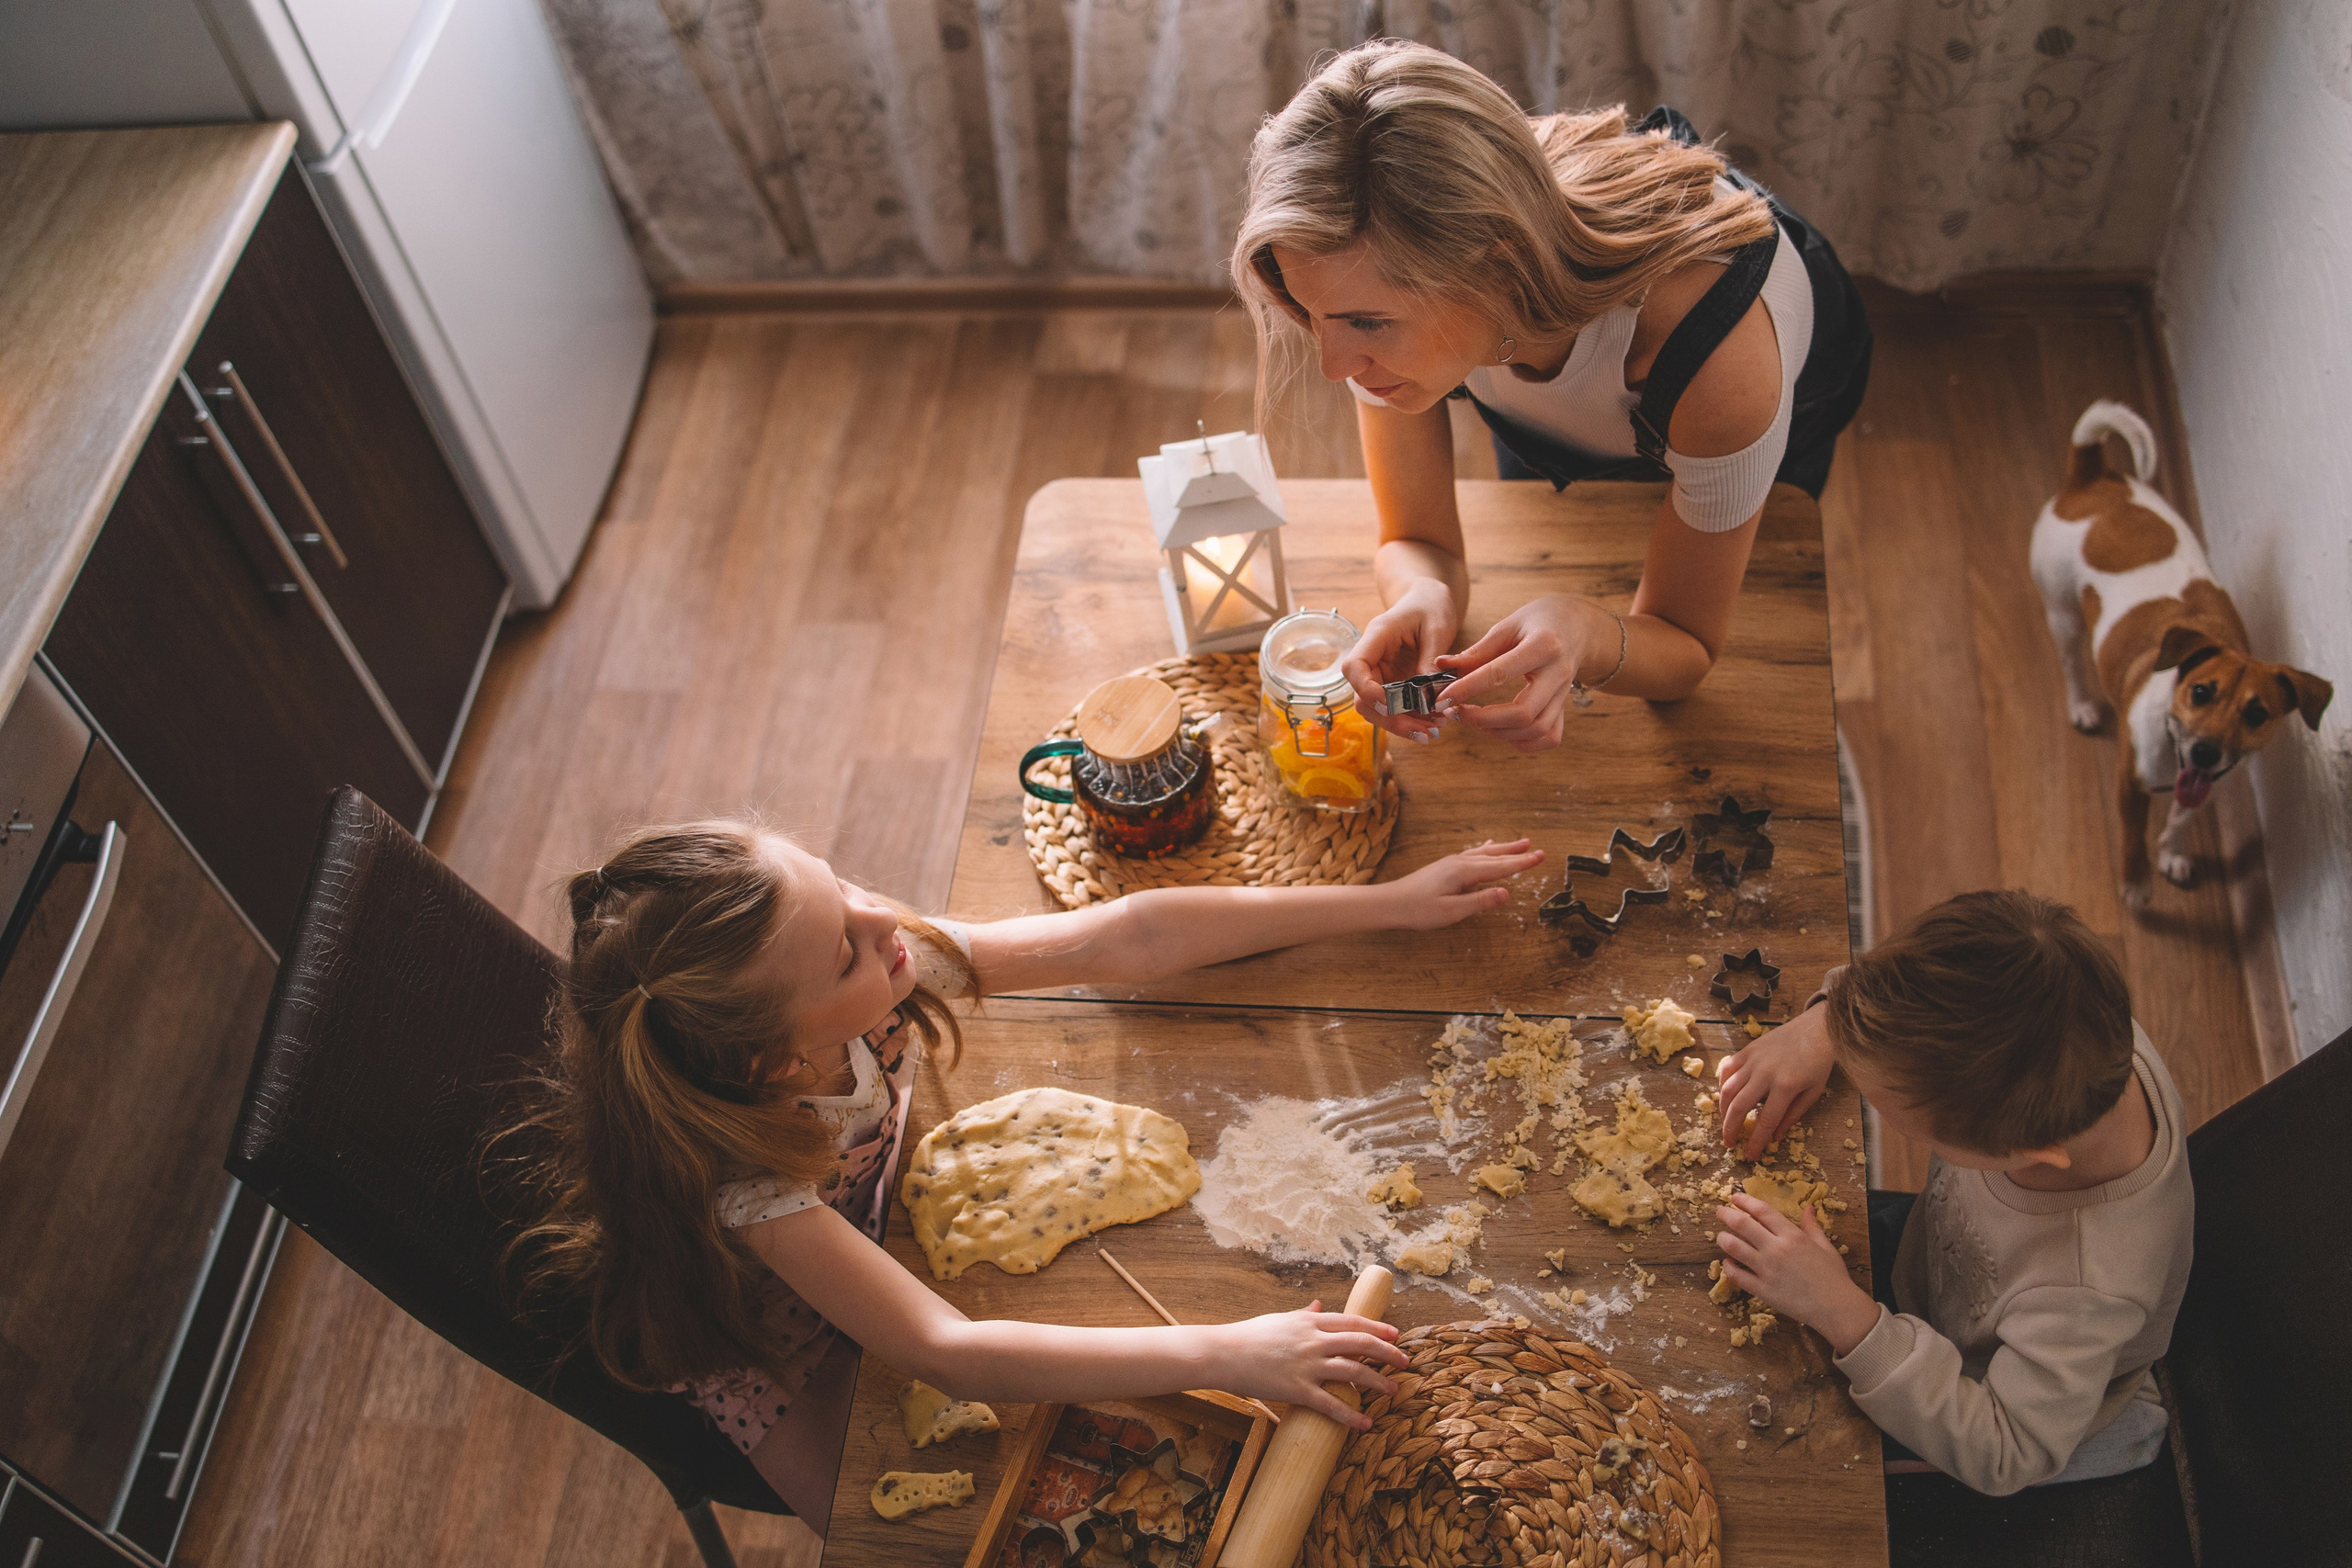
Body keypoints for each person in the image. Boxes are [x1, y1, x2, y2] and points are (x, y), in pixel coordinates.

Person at [504, 818, 1544, 1515]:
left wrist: (1386, 901)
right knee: (914, 1517)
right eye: (844, 952)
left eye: (845, 888)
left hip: (883, 1213)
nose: (886, 920)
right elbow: (949, 1352)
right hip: (788, 1345)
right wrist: (1227, 1351)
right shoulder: (751, 1194)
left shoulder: (878, 961)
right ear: (778, 1060)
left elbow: (1130, 936)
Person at [1231, 41, 1872, 746]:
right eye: (1312, 314)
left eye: (1367, 322)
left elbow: (1688, 647)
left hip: (1778, 391)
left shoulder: (1728, 373)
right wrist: (1423, 593)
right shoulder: (1377, 250)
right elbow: (1416, 536)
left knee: (1774, 611)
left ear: (1497, 263)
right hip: (1560, 372)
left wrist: (1589, 633)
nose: (1333, 366)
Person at [1709, 890, 2194, 1495]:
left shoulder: (2087, 1283)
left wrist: (1847, 1316)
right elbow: (1941, 988)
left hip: (1985, 1393)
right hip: (1941, 1272)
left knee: (1791, 1461)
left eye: (1900, 1118)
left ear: (2031, 1155)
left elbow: (2010, 1451)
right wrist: (1831, 1021)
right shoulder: (2065, 1016)